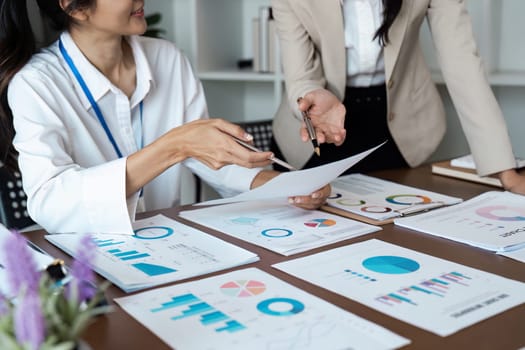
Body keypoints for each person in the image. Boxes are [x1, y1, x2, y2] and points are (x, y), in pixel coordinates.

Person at [0, 0, 330, 234]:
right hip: (89, 261)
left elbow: (209, 163)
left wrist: (286, 187)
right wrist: (174, 146)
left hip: (173, 243)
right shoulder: (37, 84)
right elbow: (51, 202)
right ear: (74, 5)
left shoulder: (167, 58)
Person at [270, 0, 525, 195]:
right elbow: (300, 75)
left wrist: (505, 171)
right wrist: (312, 97)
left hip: (397, 128)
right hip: (321, 125)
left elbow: (463, 65)